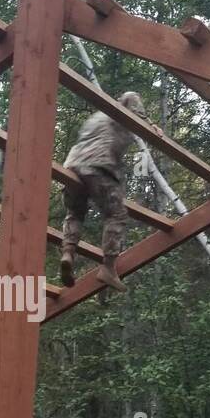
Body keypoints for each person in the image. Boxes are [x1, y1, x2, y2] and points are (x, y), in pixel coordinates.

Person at [60, 91, 148, 292]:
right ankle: (108, 267)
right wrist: (151, 127)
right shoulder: (119, 116)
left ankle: (68, 252)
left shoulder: (98, 116)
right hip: (98, 166)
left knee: (75, 212)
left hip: (72, 165)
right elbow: (137, 119)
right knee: (116, 214)